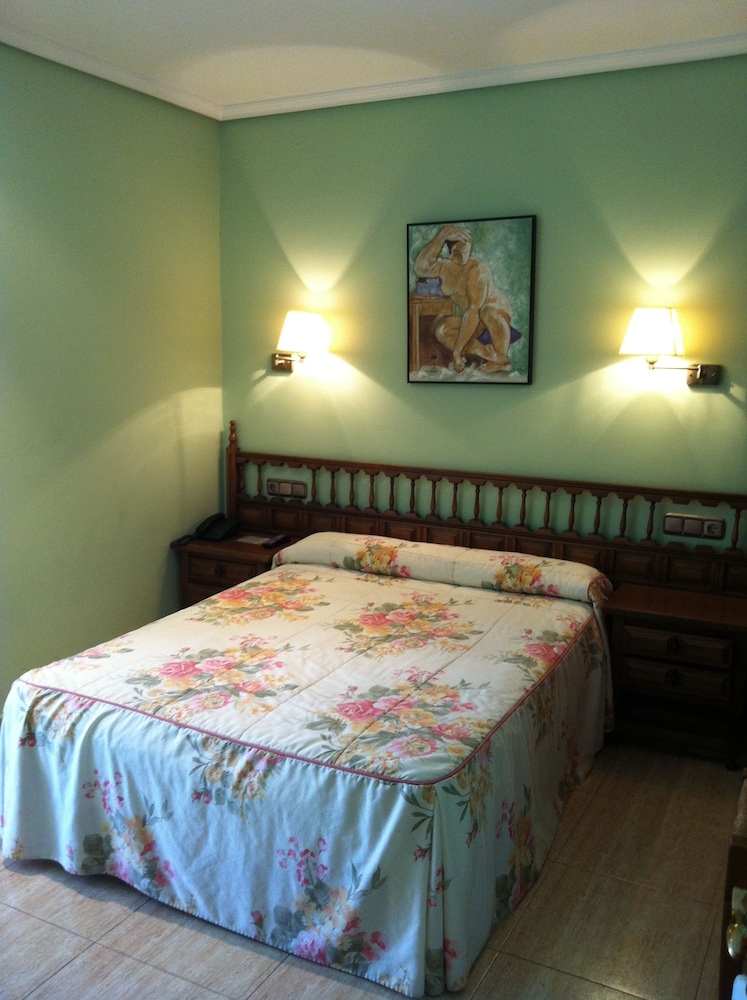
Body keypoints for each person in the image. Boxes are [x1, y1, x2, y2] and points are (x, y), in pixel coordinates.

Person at [413, 225, 514, 374]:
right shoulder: (445, 268)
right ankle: (491, 355)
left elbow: (474, 310)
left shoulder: (477, 270)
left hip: (493, 317)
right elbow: (420, 268)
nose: (462, 257)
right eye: (456, 253)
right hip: (473, 321)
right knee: (442, 329)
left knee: (488, 312)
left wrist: (457, 352)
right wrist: (442, 236)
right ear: (449, 252)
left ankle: (502, 357)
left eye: (465, 252)